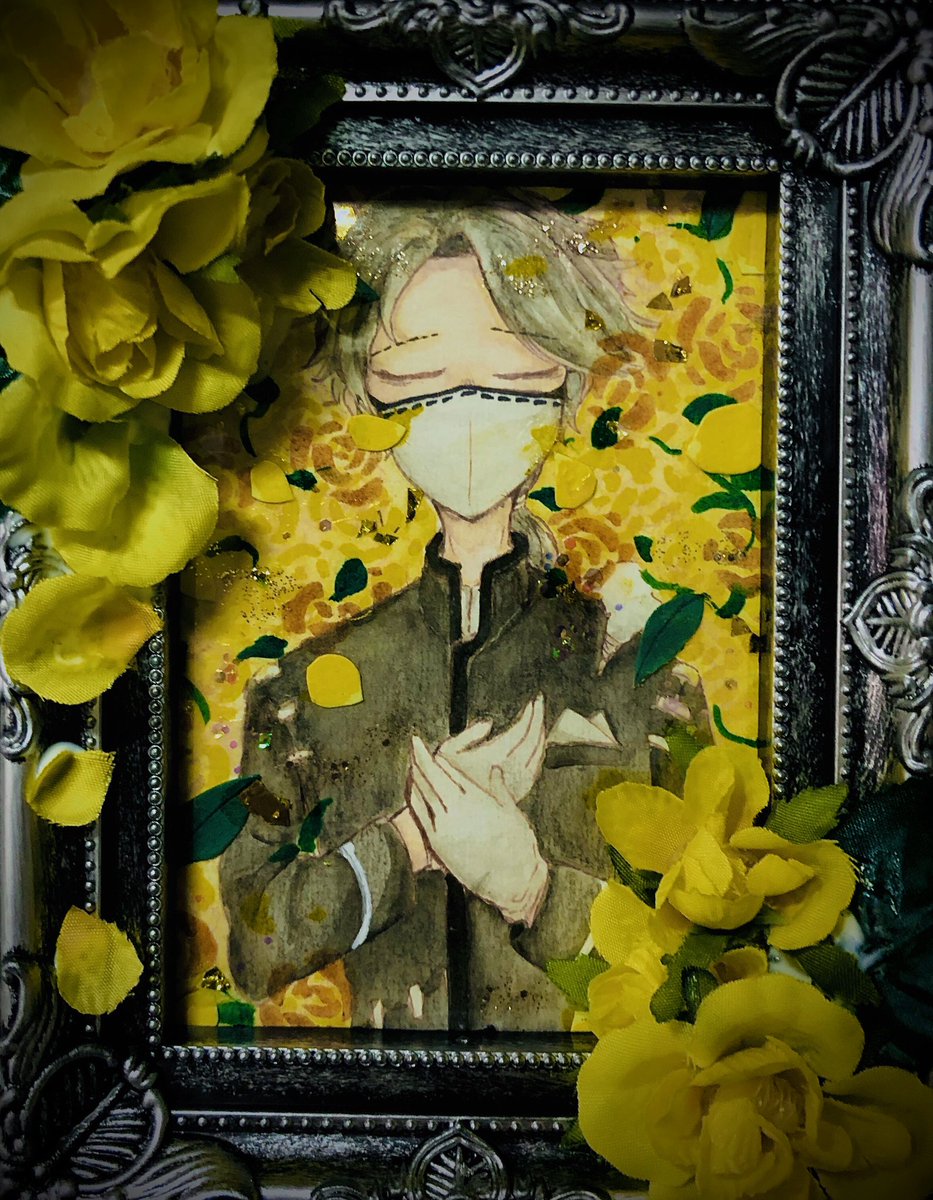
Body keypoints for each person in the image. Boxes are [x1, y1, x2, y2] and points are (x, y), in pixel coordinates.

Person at [219, 190, 710, 1031]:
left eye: (513, 378)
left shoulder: (645, 674)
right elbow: (256, 952)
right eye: (417, 381)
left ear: (564, 385)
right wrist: (407, 842)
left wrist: (531, 886)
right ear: (367, 398)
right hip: (380, 1100)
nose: (469, 414)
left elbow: (702, 962)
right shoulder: (298, 694)